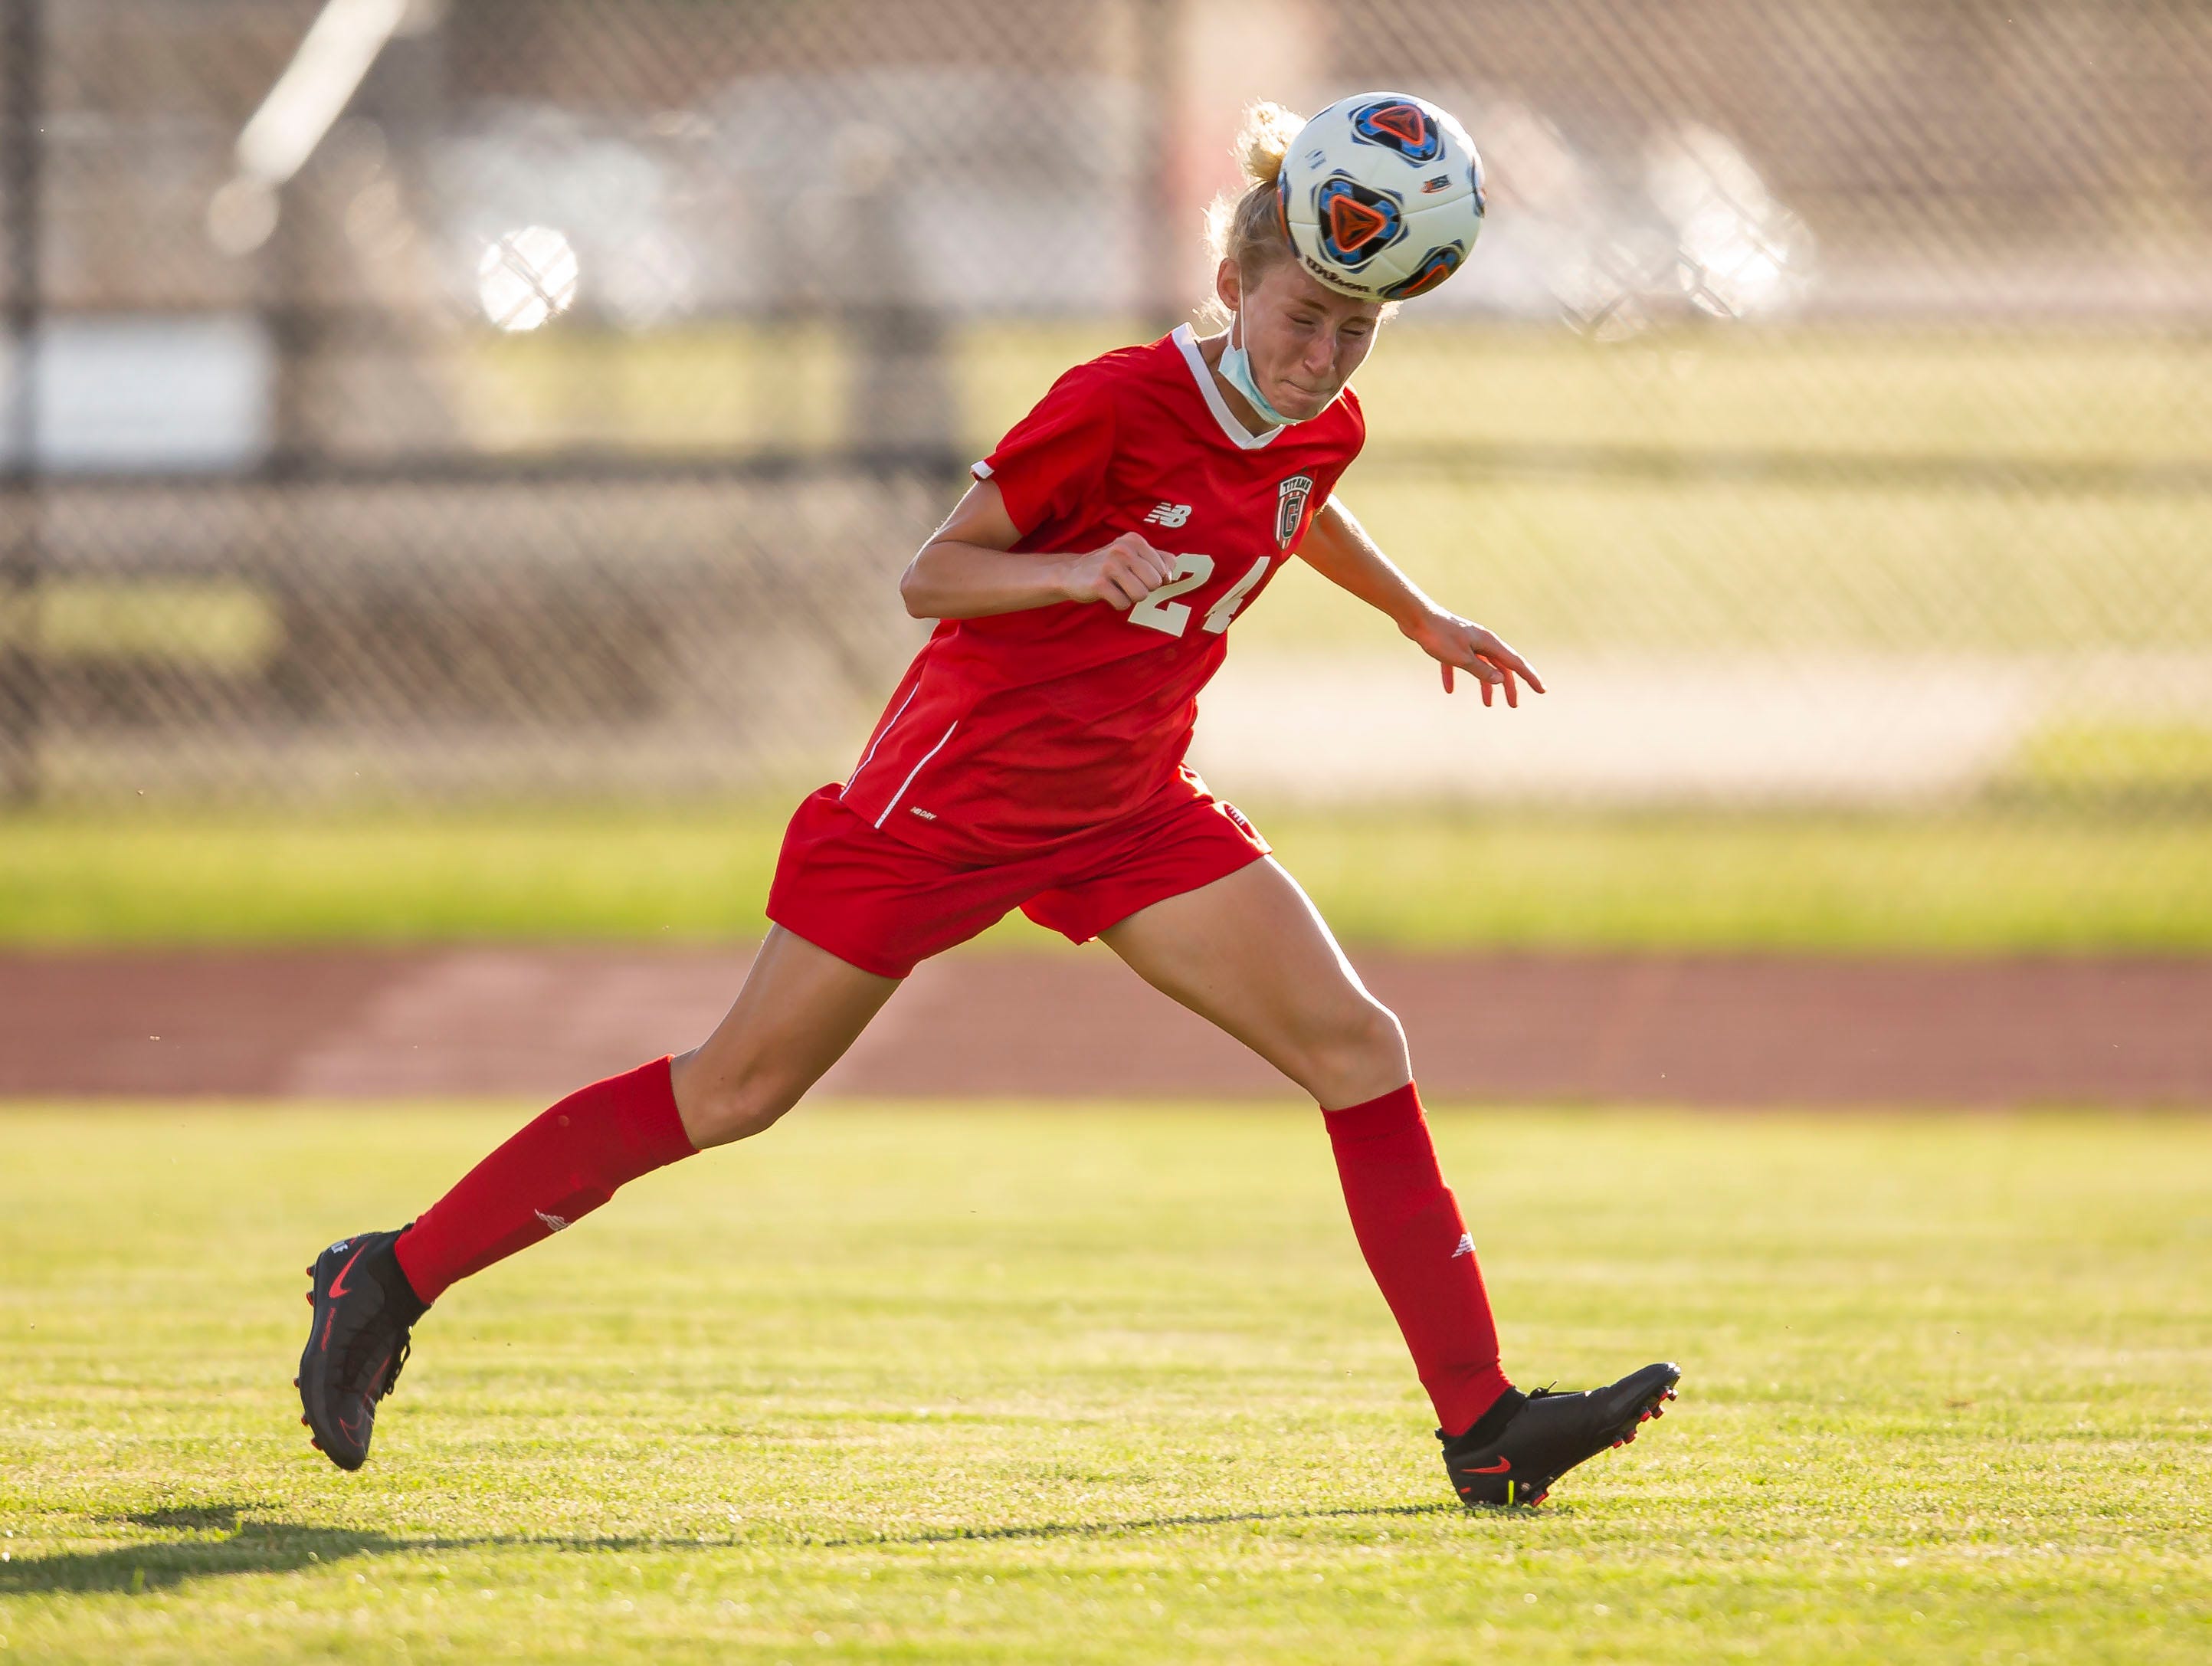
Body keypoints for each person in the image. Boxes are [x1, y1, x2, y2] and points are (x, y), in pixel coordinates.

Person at [298, 101, 1679, 1508]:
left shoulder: (1322, 422)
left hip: (1128, 806)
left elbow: (1293, 500)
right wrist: (1076, 572)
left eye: (1358, 331)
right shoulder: (1118, 403)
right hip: (952, 798)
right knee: (736, 1090)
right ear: (1232, 285)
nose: (1323, 359)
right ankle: (387, 1275)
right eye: (1304, 319)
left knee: (1360, 1046)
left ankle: (1483, 1426)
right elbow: (933, 576)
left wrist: (1417, 614)